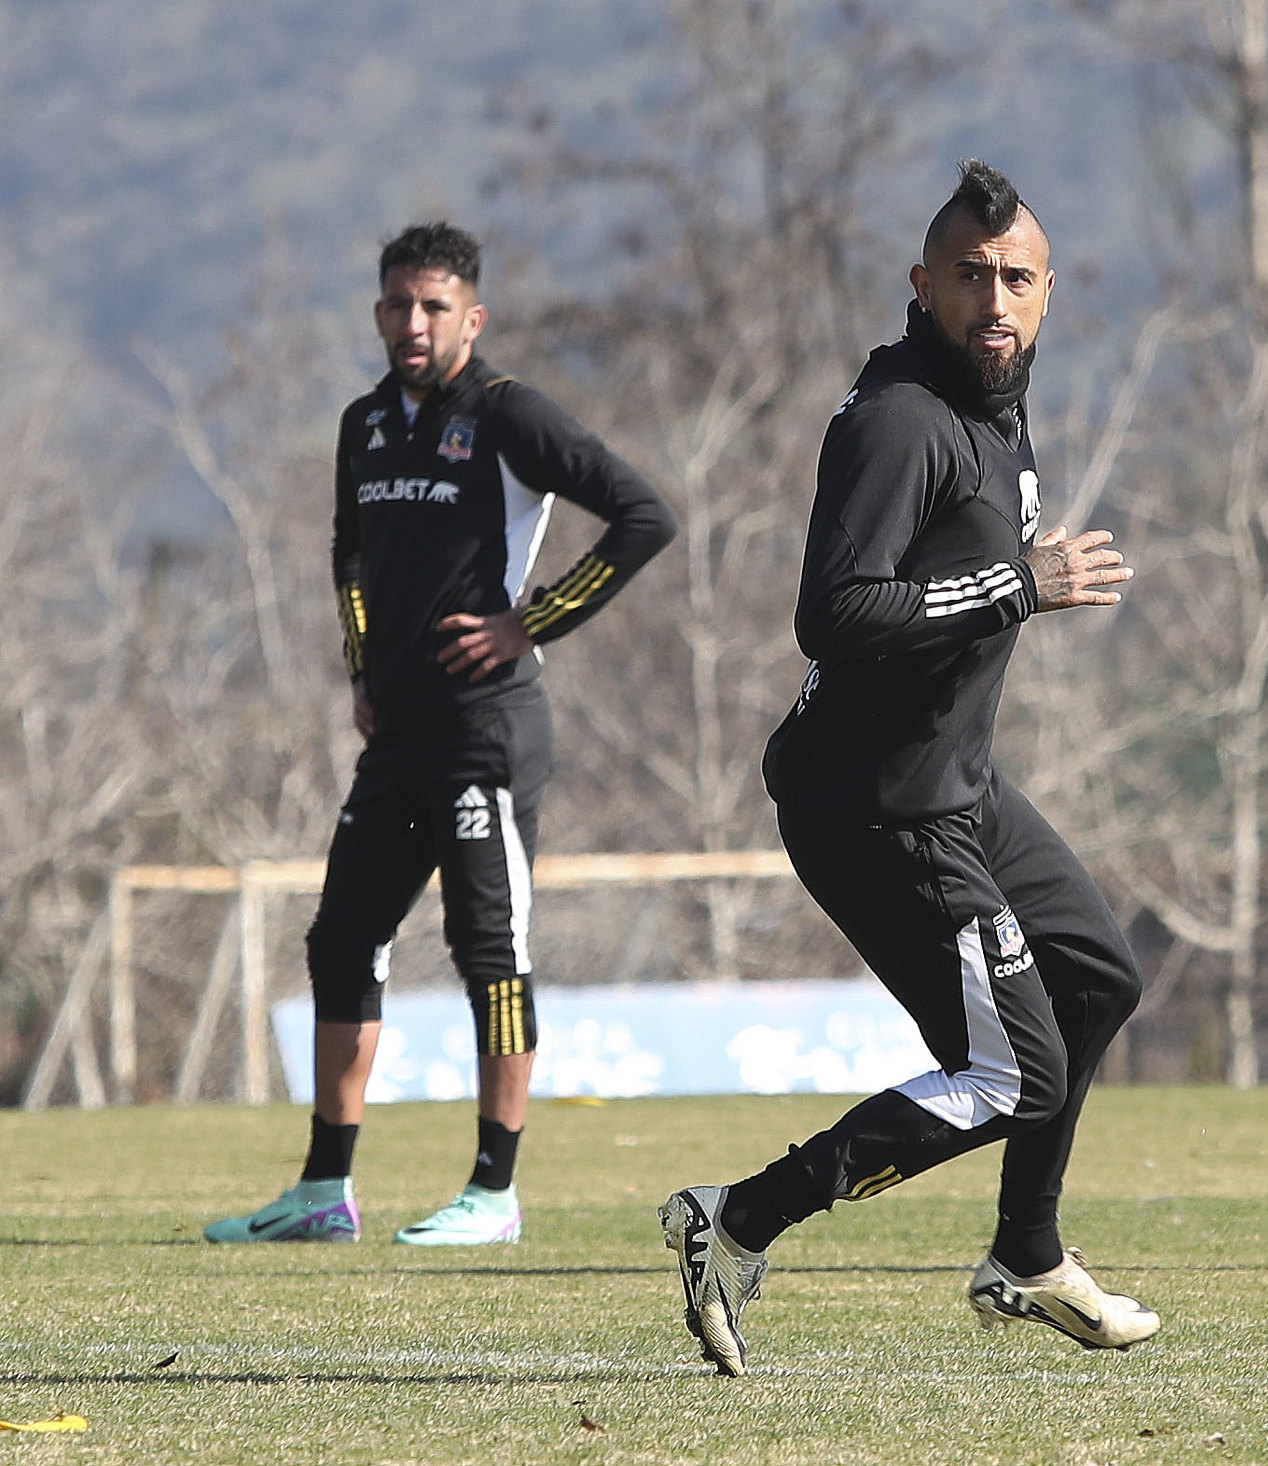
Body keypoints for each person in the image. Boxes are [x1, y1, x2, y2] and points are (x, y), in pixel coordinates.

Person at [657, 160, 1157, 1376]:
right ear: (922, 284)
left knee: (1095, 981)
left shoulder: (993, 399)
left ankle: (1025, 1256)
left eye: (1016, 279)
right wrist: (1017, 581)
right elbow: (832, 612)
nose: (995, 300)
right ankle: (735, 1219)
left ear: (1049, 292)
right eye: (971, 278)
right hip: (874, 808)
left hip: (957, 784)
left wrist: (1000, 576)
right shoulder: (898, 419)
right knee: (1010, 1070)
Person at [206, 222, 676, 1246]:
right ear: (376, 311)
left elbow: (644, 515)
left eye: (432, 306)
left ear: (472, 315)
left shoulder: (508, 415)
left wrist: (527, 621)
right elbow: (349, 554)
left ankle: (492, 1191)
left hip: (487, 730)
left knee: (488, 949)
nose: (411, 323)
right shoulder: (364, 423)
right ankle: (324, 1190)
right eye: (395, 304)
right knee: (340, 938)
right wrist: (363, 664)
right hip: (400, 733)